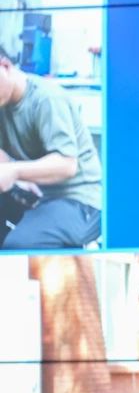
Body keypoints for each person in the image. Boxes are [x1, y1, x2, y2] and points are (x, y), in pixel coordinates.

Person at [0, 44, 103, 250]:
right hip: (39, 195)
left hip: (80, 200)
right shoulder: (3, 104)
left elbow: (67, 165)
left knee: (19, 244)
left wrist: (16, 171)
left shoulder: (46, 99)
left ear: (6, 66)